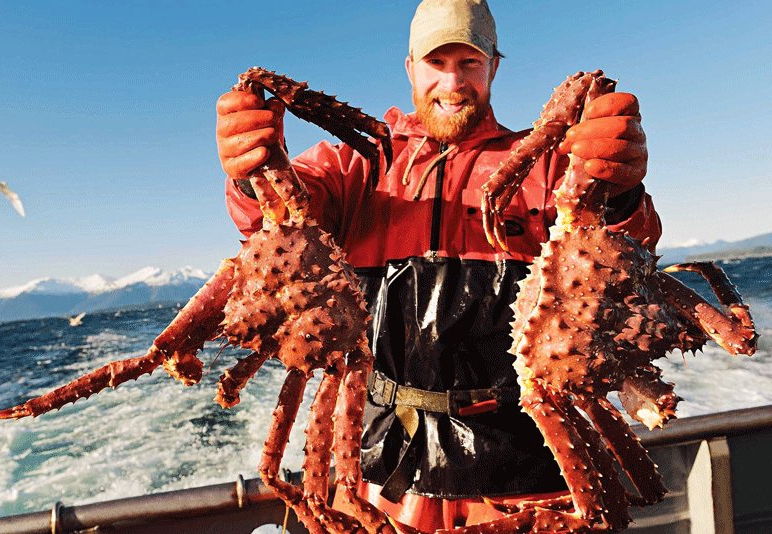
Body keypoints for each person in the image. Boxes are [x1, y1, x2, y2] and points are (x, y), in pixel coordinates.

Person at [216, 0, 660, 530]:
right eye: (437, 63)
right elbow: (283, 217)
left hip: (530, 471)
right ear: (410, 68)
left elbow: (626, 254)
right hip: (382, 467)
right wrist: (252, 175)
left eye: (469, 64)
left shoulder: (550, 166)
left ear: (494, 66)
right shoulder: (353, 164)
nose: (452, 83)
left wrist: (620, 191)